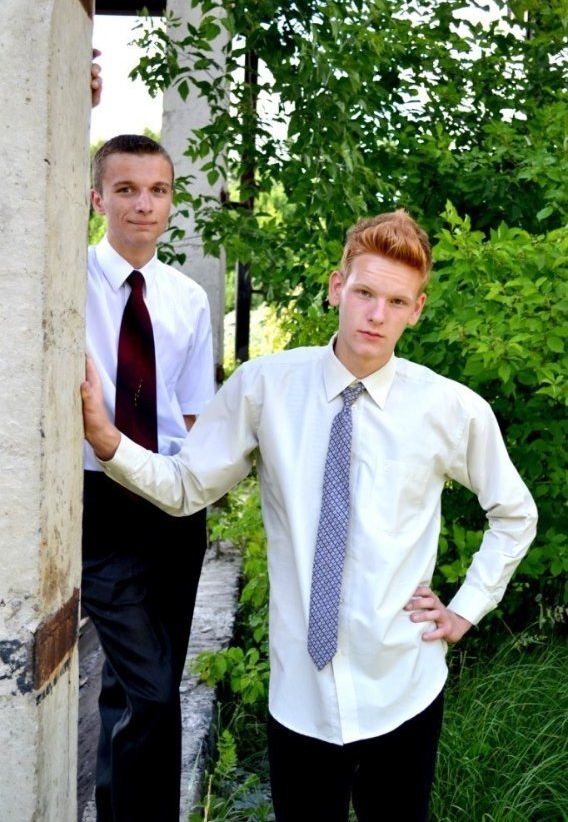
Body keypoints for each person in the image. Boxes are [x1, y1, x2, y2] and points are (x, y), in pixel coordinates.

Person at [81, 209, 537, 821]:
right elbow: (188, 486)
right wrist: (106, 440)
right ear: (336, 287)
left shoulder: (450, 410)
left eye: (397, 302)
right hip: (301, 697)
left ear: (417, 310)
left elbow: (514, 513)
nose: (377, 315)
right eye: (365, 292)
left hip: (402, 685)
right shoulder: (265, 388)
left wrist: (465, 608)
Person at [82, 134, 214, 821]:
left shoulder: (187, 298)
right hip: (97, 501)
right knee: (153, 691)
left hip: (171, 503)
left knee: (136, 687)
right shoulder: (64, 283)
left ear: (170, 201)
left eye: (157, 190)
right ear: (96, 198)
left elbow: (191, 415)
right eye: (126, 189)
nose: (143, 204)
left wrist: (188, 489)